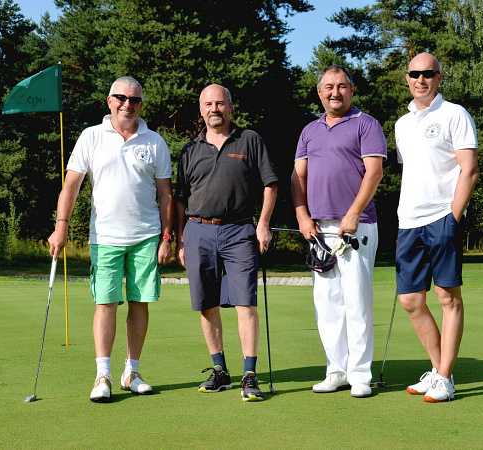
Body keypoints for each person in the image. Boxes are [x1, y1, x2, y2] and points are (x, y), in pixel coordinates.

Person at [48, 76, 174, 403]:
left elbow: (165, 194)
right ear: (109, 101)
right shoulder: (91, 136)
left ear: (141, 104)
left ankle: (132, 372)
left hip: (146, 236)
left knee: (140, 302)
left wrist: (166, 236)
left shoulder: (155, 141)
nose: (127, 105)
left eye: (134, 100)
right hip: (105, 236)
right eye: (121, 98)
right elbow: (71, 186)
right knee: (106, 303)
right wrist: (61, 226)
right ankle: (102, 375)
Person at [174, 84, 278, 402]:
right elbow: (180, 199)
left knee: (245, 303)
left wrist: (263, 224)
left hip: (239, 231)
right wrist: (180, 239)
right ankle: (220, 371)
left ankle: (249, 374)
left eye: (220, 103)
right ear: (201, 110)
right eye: (208, 104)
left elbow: (270, 184)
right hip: (198, 231)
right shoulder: (189, 150)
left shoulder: (249, 140)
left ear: (230, 107)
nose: (214, 109)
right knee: (207, 304)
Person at [291, 65, 387, 398]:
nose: (336, 92)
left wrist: (353, 213)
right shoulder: (309, 130)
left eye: (342, 86)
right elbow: (298, 178)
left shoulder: (366, 124)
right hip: (320, 229)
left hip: (356, 226)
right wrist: (302, 216)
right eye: (329, 87)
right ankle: (337, 369)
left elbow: (374, 173)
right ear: (319, 92)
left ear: (352, 90)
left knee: (357, 300)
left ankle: (360, 375)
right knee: (328, 302)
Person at [395, 52, 479, 402]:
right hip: (408, 221)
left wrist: (452, 218)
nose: (421, 79)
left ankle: (445, 378)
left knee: (447, 298)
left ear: (439, 77)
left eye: (428, 73)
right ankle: (437, 369)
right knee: (410, 300)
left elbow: (469, 169)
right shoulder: (402, 124)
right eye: (415, 73)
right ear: (407, 78)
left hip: (442, 218)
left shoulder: (454, 114)